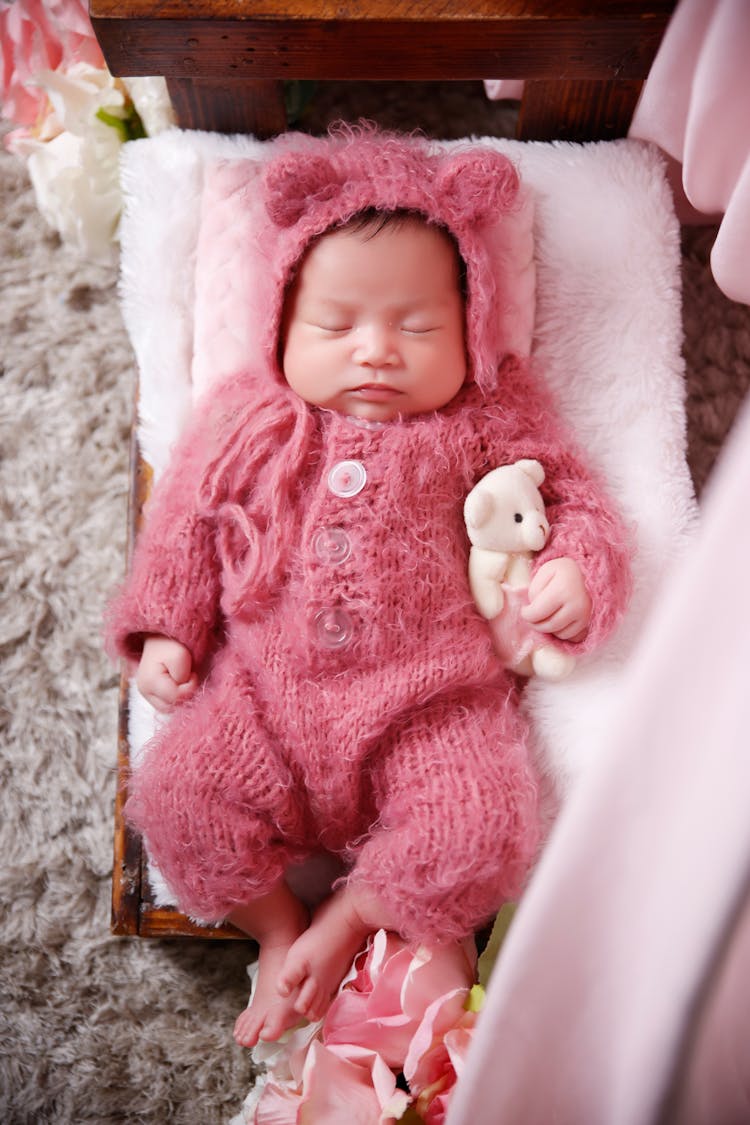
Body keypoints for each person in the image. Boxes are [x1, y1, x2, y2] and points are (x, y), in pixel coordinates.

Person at [106, 126, 631, 1049]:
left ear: (468, 330)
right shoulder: (250, 418)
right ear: (281, 323)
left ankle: (347, 918)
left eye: (418, 326)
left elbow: (573, 499)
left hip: (428, 708)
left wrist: (577, 572)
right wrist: (168, 633)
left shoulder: (488, 418)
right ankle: (276, 930)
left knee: (481, 824)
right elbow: (186, 522)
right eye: (337, 325)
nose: (377, 351)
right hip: (262, 702)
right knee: (177, 798)